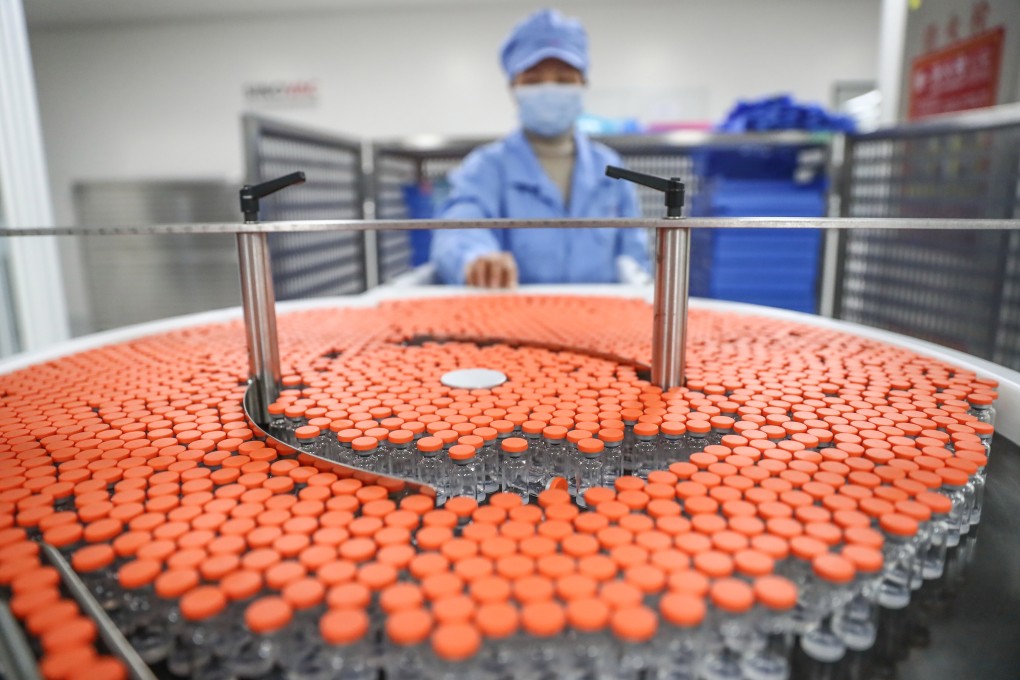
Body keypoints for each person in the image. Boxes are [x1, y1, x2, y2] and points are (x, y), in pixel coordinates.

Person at [429, 8, 650, 288]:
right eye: (533, 80)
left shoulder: (610, 168)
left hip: (603, 314)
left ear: (583, 84)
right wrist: (476, 259)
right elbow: (459, 227)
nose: (549, 89)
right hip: (511, 314)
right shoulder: (486, 168)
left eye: (563, 80)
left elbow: (634, 252)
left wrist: (638, 282)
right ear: (513, 88)